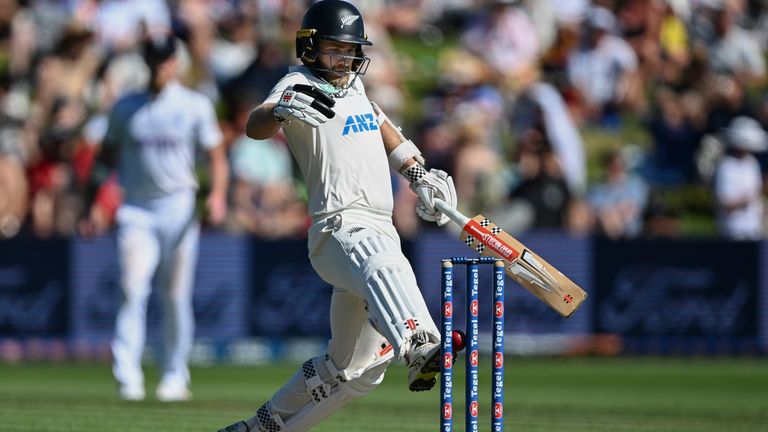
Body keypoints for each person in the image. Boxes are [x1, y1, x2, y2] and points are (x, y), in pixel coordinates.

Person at [217, 1, 457, 431]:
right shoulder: (297, 81)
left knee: (353, 371)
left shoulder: (354, 86)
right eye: (335, 49)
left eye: (350, 51)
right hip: (339, 228)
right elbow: (255, 125)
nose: (344, 59)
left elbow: (382, 124)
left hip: (377, 225)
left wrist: (418, 173)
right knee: (381, 257)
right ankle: (419, 340)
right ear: (308, 47)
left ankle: (260, 427)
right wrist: (278, 110)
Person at [79, 34, 229, 402]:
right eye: (154, 60)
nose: (160, 67)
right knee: (131, 289)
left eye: (166, 60)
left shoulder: (194, 105)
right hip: (137, 210)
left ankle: (175, 375)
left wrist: (218, 195)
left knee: (175, 295)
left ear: (175, 63)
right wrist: (93, 204)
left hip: (178, 206)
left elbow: (216, 157)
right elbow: (105, 159)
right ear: (146, 62)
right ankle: (127, 377)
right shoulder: (125, 107)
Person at [713, 116, 768, 240]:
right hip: (733, 230)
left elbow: (757, 195)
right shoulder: (726, 166)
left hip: (754, 229)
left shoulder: (752, 163)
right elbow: (725, 203)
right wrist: (743, 201)